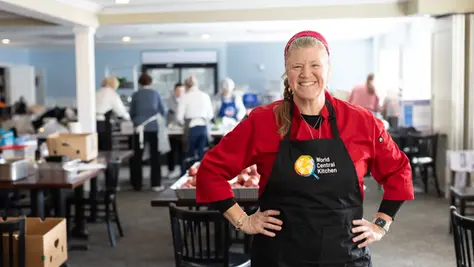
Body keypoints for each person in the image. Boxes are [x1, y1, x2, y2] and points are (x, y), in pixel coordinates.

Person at [195, 31, 414, 266]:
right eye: (296, 66)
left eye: (315, 65)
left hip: (345, 257)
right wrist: (243, 221)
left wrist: (381, 224)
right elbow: (210, 170)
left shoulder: (361, 121)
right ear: (287, 73)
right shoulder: (263, 121)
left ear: (328, 70)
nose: (306, 74)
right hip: (279, 257)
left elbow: (398, 170)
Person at [129, 73, 167, 192]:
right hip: (153, 128)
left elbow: (131, 113)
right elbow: (163, 111)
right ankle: (155, 184)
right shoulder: (155, 94)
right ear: (150, 83)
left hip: (139, 128)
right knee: (155, 157)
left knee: (137, 157)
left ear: (140, 83)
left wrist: (137, 121)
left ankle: (137, 184)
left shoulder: (135, 95)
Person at [176, 75, 214, 171]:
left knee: (189, 157)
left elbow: (179, 117)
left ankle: (188, 181)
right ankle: (203, 180)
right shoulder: (205, 96)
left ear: (186, 86)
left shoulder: (185, 97)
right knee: (203, 157)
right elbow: (210, 115)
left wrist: (182, 124)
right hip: (203, 128)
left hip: (191, 129)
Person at [166, 83, 185, 177]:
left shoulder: (186, 100)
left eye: (181, 91)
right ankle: (171, 169)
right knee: (172, 150)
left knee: (183, 150)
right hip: (172, 130)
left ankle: (182, 170)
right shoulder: (169, 101)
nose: (180, 93)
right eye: (178, 90)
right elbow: (166, 115)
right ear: (174, 91)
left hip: (183, 130)